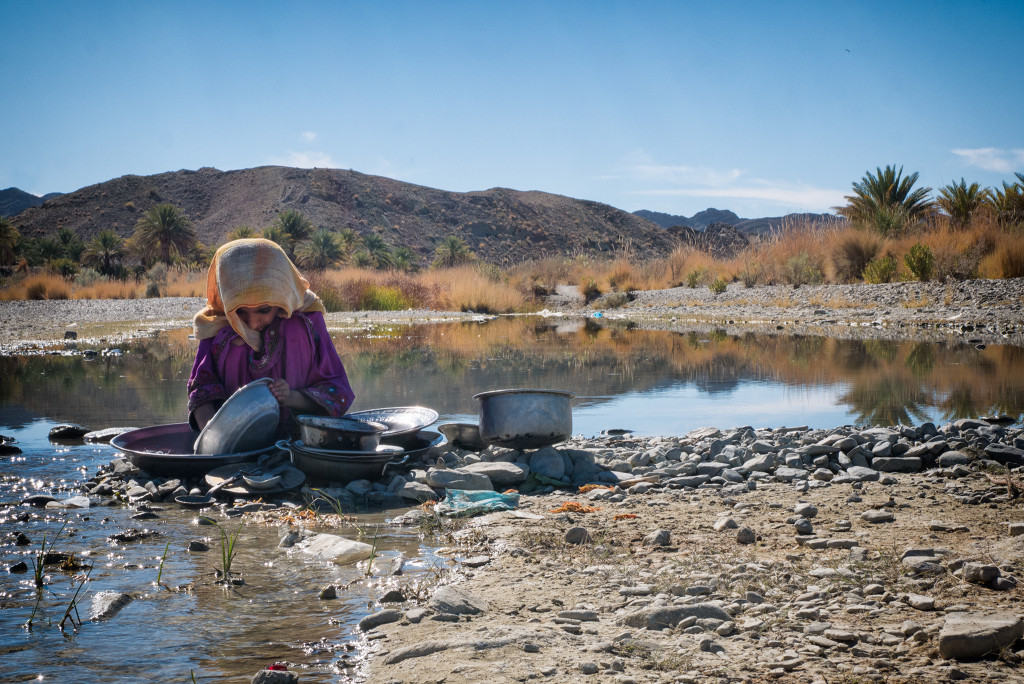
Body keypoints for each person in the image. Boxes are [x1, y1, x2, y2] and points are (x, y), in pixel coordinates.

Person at [187, 238, 354, 436]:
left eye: (263, 310)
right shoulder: (215, 323)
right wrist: (213, 437)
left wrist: (291, 397)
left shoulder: (308, 319)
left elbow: (335, 387)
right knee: (232, 337)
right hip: (236, 438)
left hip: (301, 433)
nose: (253, 323)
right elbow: (201, 388)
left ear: (282, 295)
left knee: (295, 326)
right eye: (240, 313)